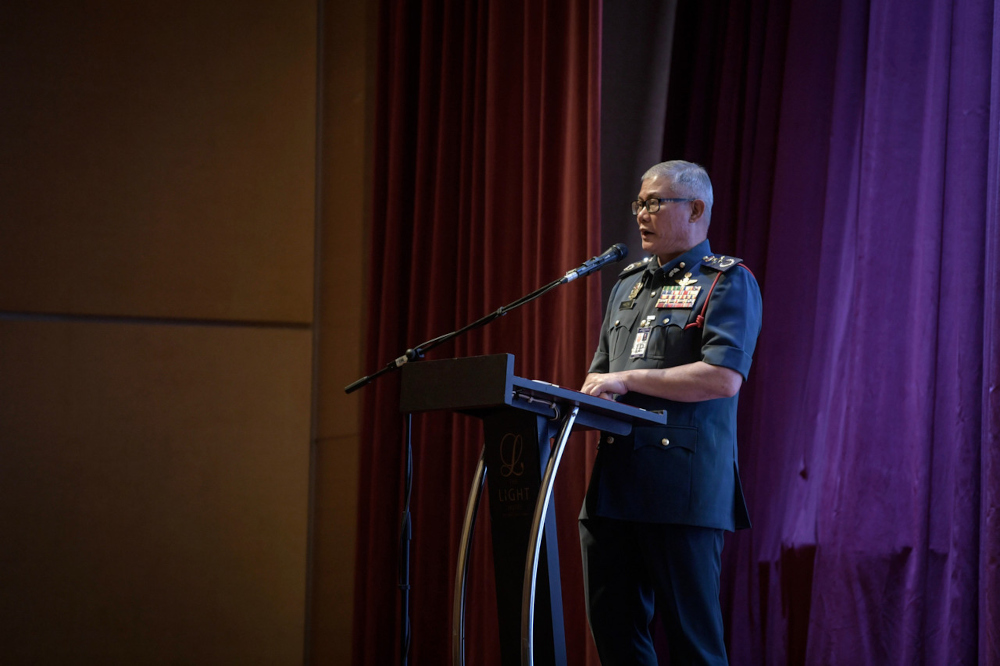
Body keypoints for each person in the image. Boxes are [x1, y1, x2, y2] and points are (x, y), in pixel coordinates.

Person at [579, 160, 762, 665]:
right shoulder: (628, 284)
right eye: (639, 203)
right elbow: (600, 378)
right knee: (614, 637)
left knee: (693, 647)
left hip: (681, 488)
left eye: (655, 203)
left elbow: (722, 378)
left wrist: (628, 380)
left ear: (696, 209)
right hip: (614, 487)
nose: (642, 214)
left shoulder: (725, 281)